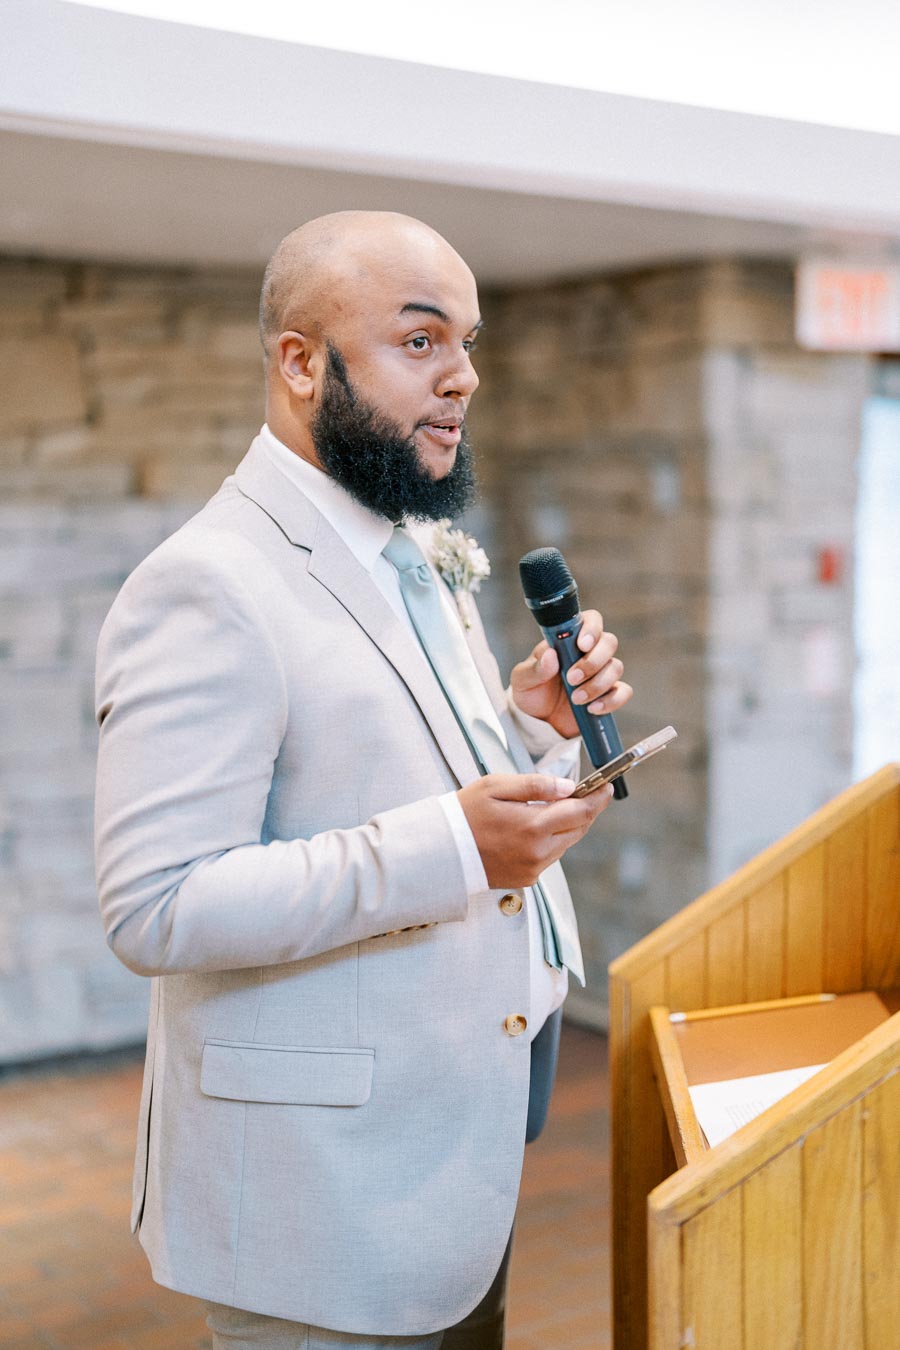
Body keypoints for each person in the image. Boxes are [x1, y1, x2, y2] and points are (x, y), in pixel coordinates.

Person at [94, 211, 632, 1350]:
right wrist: (456, 846)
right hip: (323, 1192)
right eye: (423, 343)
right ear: (300, 361)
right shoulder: (207, 583)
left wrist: (529, 734)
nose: (466, 378)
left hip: (457, 1147)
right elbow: (157, 904)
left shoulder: (411, 552)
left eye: (469, 345)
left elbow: (414, 768)